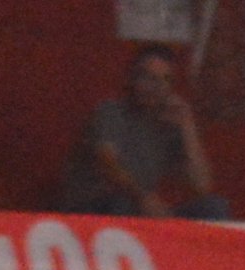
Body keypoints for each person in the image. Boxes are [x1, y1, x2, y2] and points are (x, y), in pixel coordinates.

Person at [56, 45, 221, 218]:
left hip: (141, 210)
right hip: (94, 208)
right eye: (148, 78)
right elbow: (108, 163)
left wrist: (188, 127)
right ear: (132, 79)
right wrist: (143, 197)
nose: (155, 87)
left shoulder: (167, 128)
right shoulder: (111, 112)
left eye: (164, 80)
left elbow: (202, 186)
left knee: (213, 206)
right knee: (122, 203)